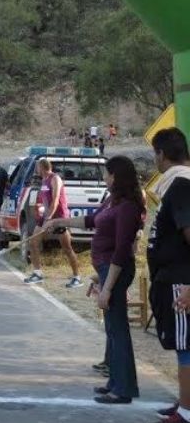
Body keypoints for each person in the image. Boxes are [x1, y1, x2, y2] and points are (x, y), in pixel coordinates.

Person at [46, 155, 144, 404]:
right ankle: (115, 382)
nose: (104, 178)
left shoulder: (128, 207)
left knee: (119, 330)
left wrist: (107, 288)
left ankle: (124, 389)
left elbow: (122, 249)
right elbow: (91, 221)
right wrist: (61, 221)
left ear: (117, 176)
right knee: (112, 329)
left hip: (115, 271)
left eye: (107, 174)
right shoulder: (113, 201)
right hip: (104, 268)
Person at [143, 128, 190, 423]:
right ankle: (186, 402)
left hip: (181, 281)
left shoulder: (181, 185)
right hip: (172, 277)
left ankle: (186, 414)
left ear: (161, 154)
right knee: (183, 347)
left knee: (187, 349)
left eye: (155, 155)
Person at [23, 159, 83, 288]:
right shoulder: (43, 180)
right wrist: (43, 215)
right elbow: (44, 200)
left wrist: (50, 218)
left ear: (43, 167)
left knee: (67, 248)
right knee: (33, 243)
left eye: (37, 167)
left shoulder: (55, 178)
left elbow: (55, 200)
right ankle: (37, 273)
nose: (36, 170)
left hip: (59, 217)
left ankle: (77, 277)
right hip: (46, 217)